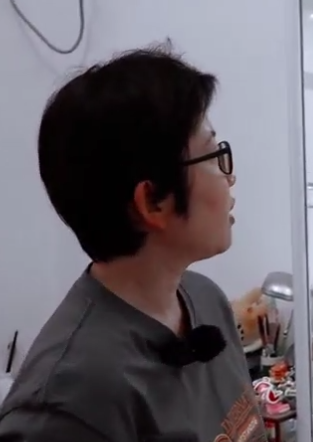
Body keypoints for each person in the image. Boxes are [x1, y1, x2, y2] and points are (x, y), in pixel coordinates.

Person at [0, 45, 267, 442]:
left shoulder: (205, 300)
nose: (229, 177)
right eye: (212, 155)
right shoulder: (68, 406)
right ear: (152, 201)